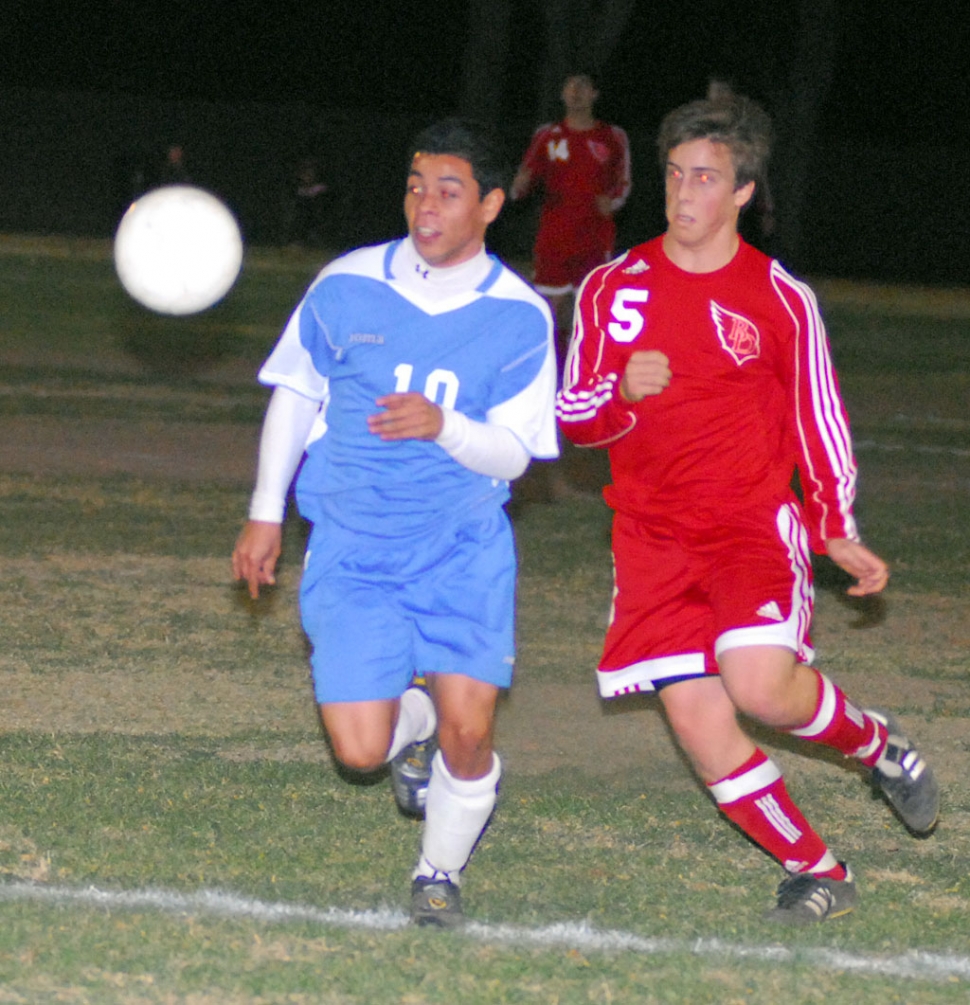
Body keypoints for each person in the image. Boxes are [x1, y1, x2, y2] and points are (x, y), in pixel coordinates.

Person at [556, 93, 939, 924]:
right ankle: (818, 868)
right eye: (674, 175)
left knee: (760, 687)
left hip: (747, 524)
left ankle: (878, 745)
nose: (684, 193)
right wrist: (621, 393)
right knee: (698, 723)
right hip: (650, 535)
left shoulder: (777, 297)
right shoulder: (611, 287)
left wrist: (835, 523)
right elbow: (573, 417)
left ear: (741, 193)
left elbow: (817, 417)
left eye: (706, 178)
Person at [232, 118, 558, 927]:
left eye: (449, 191)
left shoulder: (519, 316)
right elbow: (296, 393)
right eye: (416, 185)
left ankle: (437, 873)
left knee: (470, 734)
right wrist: (265, 513)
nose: (426, 204)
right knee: (359, 752)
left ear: (489, 203)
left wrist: (442, 424)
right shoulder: (346, 283)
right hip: (351, 545)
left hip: (461, 550)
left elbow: (516, 456)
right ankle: (411, 727)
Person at [511, 72, 631, 364]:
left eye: (583, 86)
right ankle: (547, 368)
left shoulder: (611, 136)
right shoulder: (548, 135)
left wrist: (612, 201)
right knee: (548, 309)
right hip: (554, 236)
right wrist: (517, 186)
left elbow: (624, 182)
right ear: (562, 94)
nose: (576, 92)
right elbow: (523, 179)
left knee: (589, 308)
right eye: (570, 86)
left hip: (593, 237)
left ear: (594, 94)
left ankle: (587, 370)